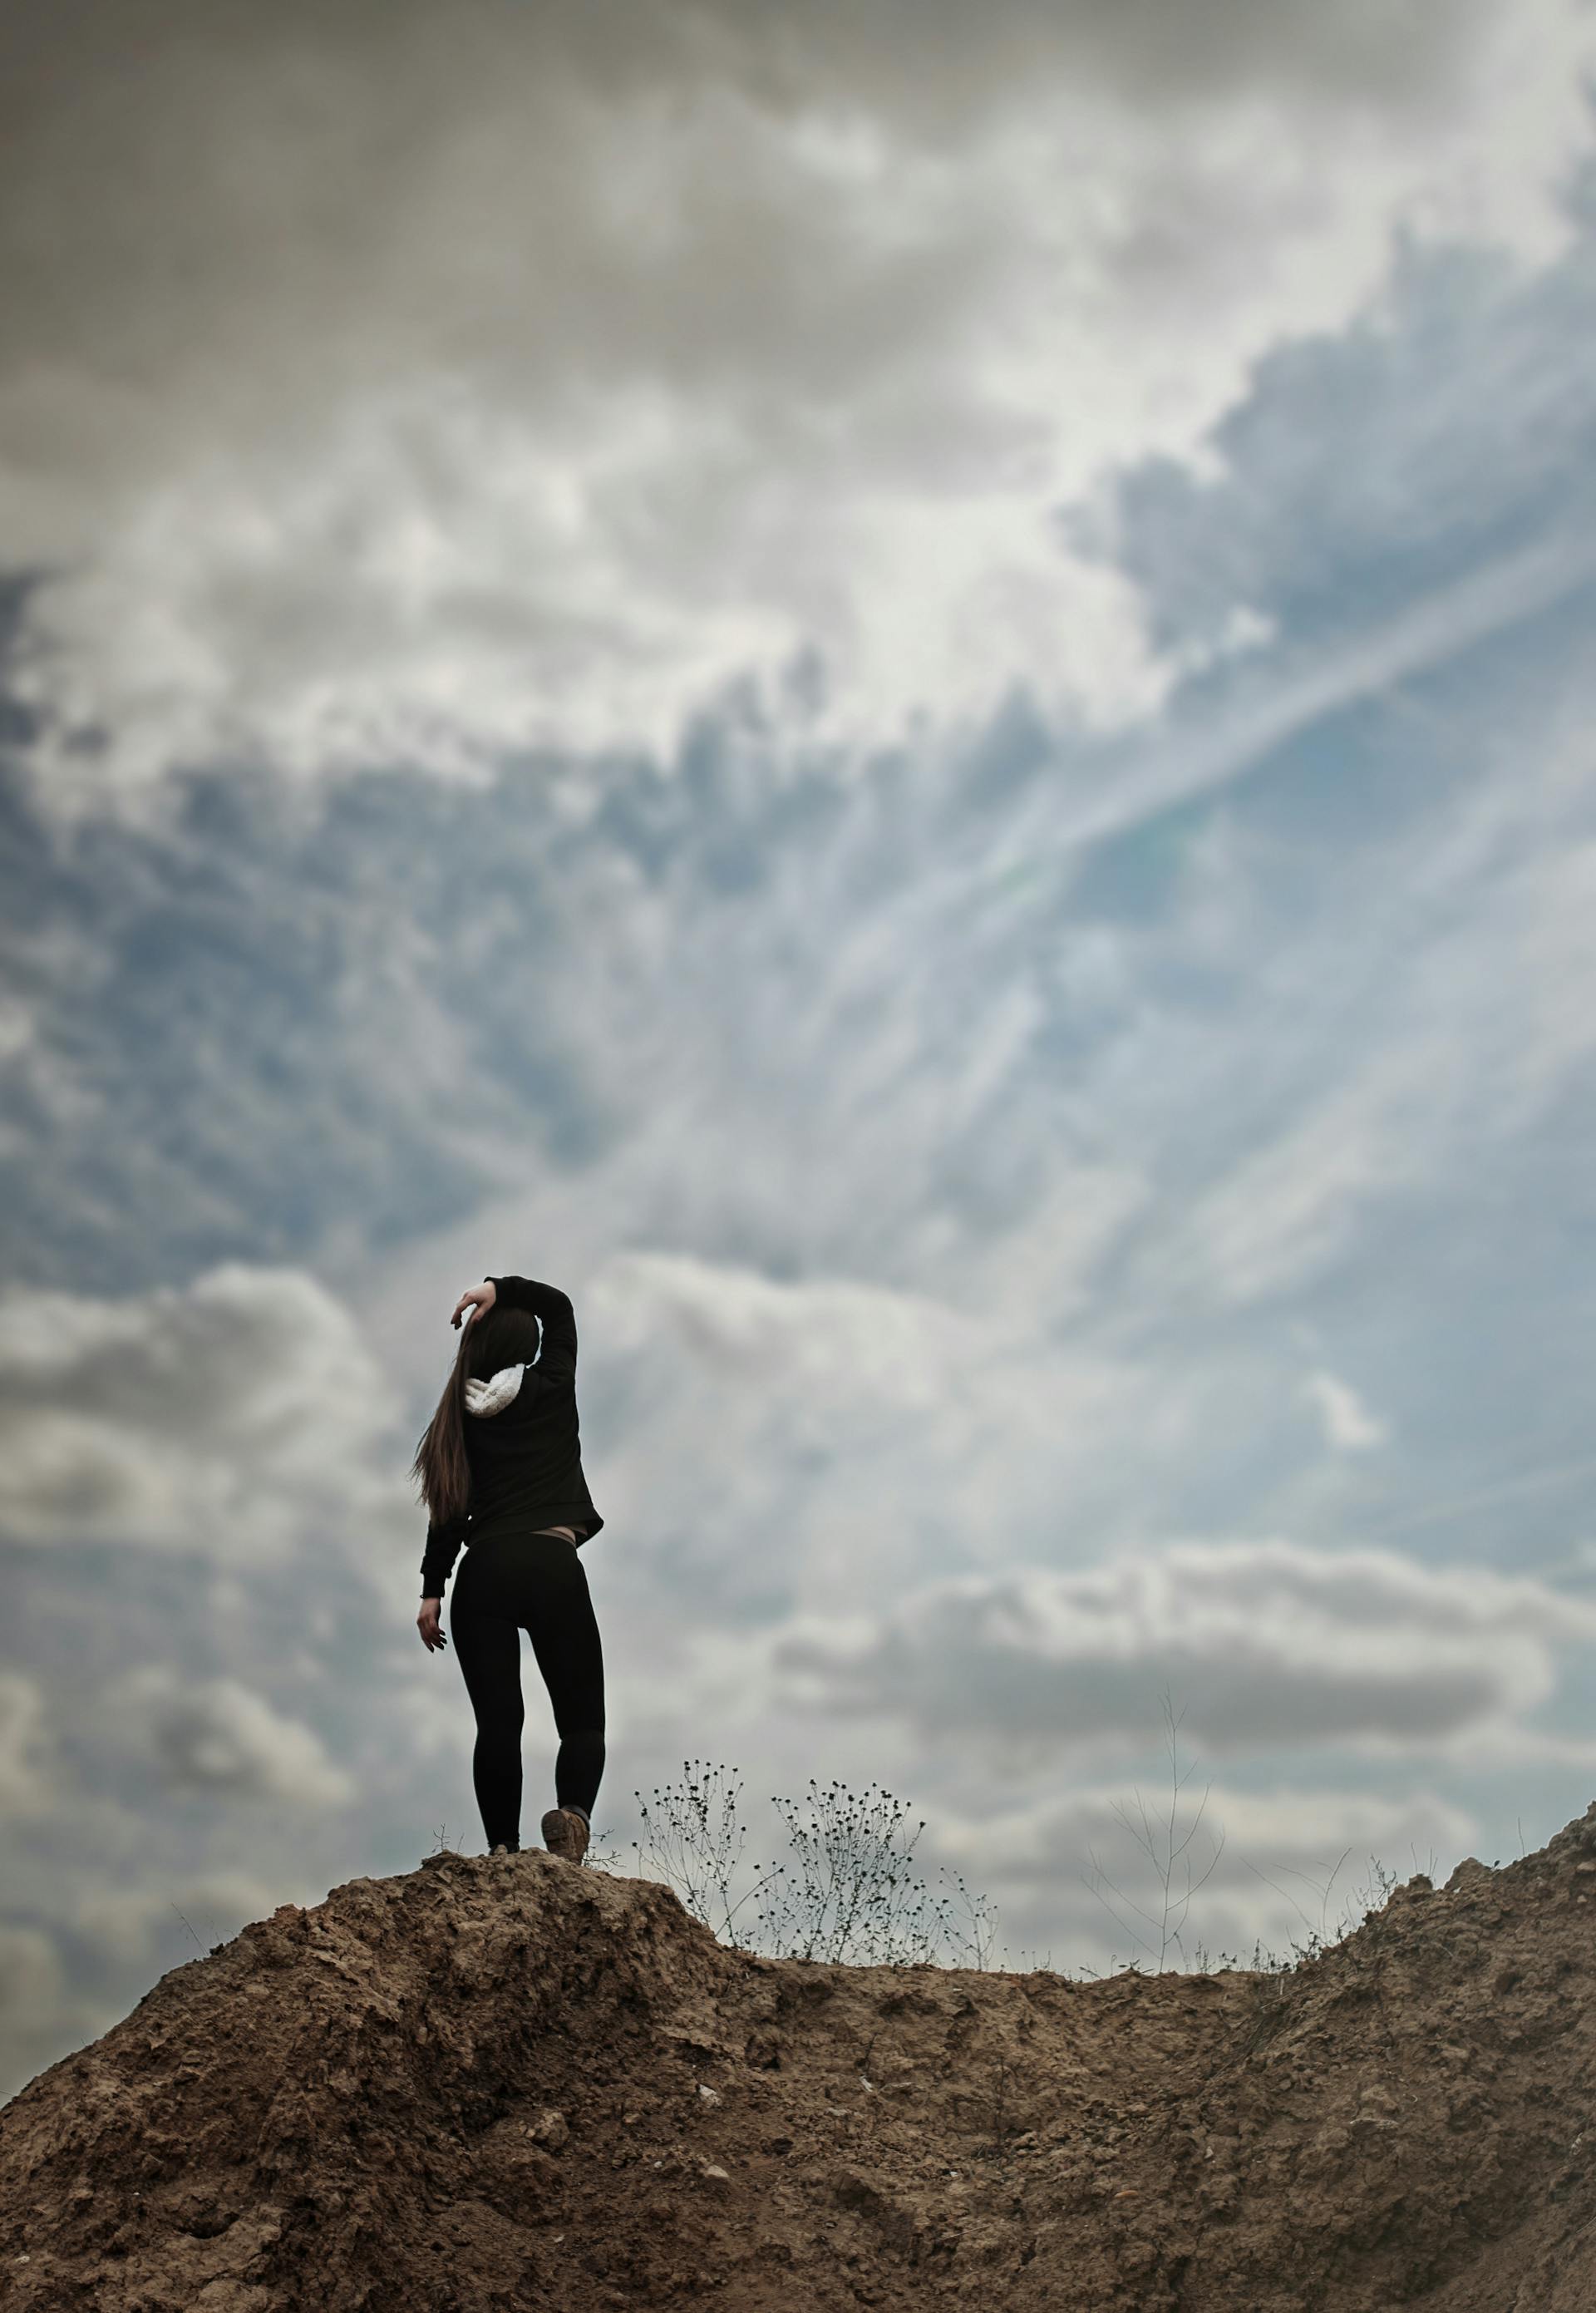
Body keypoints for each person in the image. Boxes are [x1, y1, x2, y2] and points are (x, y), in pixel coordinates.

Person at [410, 1274, 605, 1864]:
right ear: (528, 1346)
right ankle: (571, 1816)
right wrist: (499, 1286)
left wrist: (431, 1592)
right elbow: (563, 1307)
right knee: (581, 1722)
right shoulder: (552, 1384)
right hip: (551, 1563)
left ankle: (502, 1851)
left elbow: (446, 1511)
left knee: (499, 1725)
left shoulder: (460, 1419)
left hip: (483, 1574)